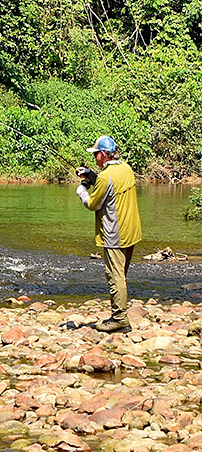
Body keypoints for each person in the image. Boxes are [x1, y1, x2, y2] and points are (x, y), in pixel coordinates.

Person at [75, 135, 142, 333]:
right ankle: (118, 314)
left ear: (104, 155)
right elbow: (110, 186)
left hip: (115, 234)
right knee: (121, 275)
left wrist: (82, 189)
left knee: (115, 276)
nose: (95, 157)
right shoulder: (126, 168)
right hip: (131, 230)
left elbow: (92, 204)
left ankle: (120, 319)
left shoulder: (106, 176)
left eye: (96, 154)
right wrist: (91, 175)